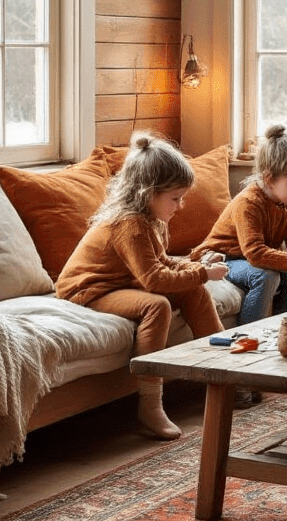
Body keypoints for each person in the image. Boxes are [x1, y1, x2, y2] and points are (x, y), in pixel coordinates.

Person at [55, 131, 228, 441]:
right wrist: (203, 273)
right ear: (148, 192)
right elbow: (155, 279)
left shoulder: (150, 219)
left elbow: (162, 262)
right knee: (156, 305)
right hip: (87, 290)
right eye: (176, 198)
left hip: (122, 281)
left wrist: (197, 266)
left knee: (193, 289)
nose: (181, 205)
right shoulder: (130, 224)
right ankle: (150, 404)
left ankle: (225, 373)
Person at [192, 123, 287, 327]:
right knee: (265, 276)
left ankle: (278, 326)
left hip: (250, 260)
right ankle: (248, 333)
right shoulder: (249, 203)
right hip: (225, 259)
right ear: (269, 179)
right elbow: (256, 254)